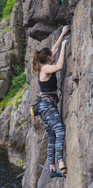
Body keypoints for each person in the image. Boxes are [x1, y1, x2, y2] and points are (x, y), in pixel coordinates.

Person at [31, 25, 70, 178]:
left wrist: (62, 34)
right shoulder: (46, 68)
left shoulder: (44, 64)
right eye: (51, 56)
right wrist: (66, 45)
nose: (54, 54)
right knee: (59, 131)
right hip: (47, 106)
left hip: (44, 106)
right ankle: (61, 164)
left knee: (52, 136)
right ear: (48, 59)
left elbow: (54, 48)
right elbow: (59, 66)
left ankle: (52, 169)